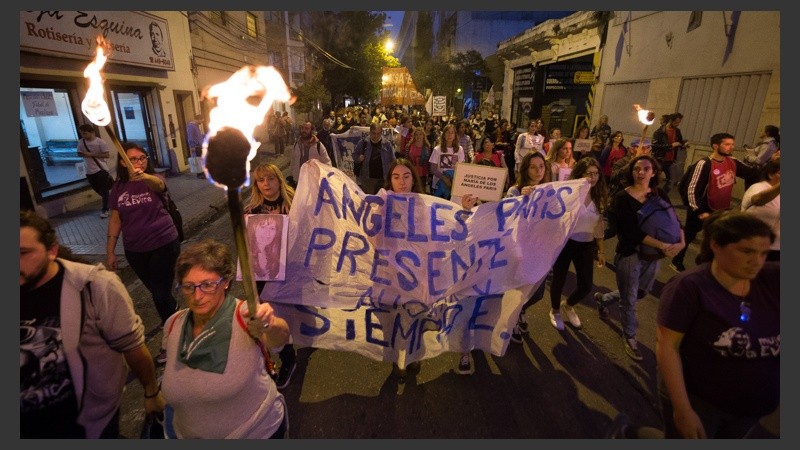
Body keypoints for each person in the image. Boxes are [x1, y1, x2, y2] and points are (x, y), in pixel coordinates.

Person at [20, 210, 165, 438]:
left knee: (161, 294)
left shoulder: (93, 286)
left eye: (23, 253)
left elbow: (132, 346)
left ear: (52, 251)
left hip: (92, 427)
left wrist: (150, 391)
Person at [656, 211, 779, 438]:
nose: (757, 262)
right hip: (701, 403)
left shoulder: (772, 280)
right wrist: (683, 409)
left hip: (752, 408)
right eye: (747, 251)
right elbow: (667, 345)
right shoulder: (689, 287)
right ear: (716, 245)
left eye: (764, 253)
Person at [161, 239, 291, 438]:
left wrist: (269, 323)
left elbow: (280, 337)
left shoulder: (244, 315)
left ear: (226, 282)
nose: (197, 296)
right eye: (188, 286)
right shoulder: (173, 325)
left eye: (207, 285)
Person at [594, 154, 685, 361]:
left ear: (654, 172)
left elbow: (673, 220)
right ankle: (630, 337)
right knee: (630, 300)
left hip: (653, 257)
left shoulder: (658, 194)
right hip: (630, 255)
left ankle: (603, 299)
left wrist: (681, 241)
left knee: (641, 292)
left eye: (645, 168)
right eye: (636, 169)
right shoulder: (622, 198)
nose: (641, 172)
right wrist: (663, 245)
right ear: (630, 172)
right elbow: (631, 232)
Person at [106, 142, 180, 363]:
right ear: (122, 161)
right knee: (160, 294)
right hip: (135, 250)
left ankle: (172, 341)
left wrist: (144, 176)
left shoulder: (154, 180)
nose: (138, 162)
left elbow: (159, 185)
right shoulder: (118, 188)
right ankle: (174, 314)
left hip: (163, 243)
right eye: (133, 159)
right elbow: (116, 219)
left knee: (159, 294)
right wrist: (110, 251)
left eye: (142, 158)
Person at [670, 132, 759, 273]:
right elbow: (692, 189)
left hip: (721, 209)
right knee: (689, 235)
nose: (731, 147)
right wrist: (699, 212)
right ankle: (677, 260)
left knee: (715, 238)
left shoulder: (732, 162)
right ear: (715, 146)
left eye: (732, 144)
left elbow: (753, 173)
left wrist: (772, 164)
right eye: (727, 144)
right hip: (702, 209)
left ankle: (705, 265)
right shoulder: (704, 163)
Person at [244, 162, 298, 389]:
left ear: (279, 180)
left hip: (293, 270)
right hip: (264, 273)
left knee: (295, 312)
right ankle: (288, 359)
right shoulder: (251, 211)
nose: (266, 184)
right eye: (261, 180)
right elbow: (248, 248)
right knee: (270, 318)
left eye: (270, 179)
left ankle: (302, 338)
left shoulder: (295, 205)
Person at [546, 157, 608, 331]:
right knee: (559, 279)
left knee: (586, 285)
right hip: (565, 243)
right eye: (589, 173)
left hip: (586, 245)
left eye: (596, 174)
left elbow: (599, 226)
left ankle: (568, 305)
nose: (593, 177)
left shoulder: (599, 196)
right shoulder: (570, 193)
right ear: (579, 174)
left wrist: (601, 251)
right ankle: (555, 310)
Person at [506, 151, 553, 343]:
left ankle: (521, 310)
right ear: (525, 169)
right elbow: (505, 216)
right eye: (533, 167)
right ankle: (513, 319)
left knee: (537, 292)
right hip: (518, 250)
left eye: (541, 166)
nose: (538, 171)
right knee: (519, 289)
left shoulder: (550, 190)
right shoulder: (515, 191)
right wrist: (520, 200)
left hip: (540, 250)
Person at [741, 158, 780, 261]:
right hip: (754, 244)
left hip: (776, 247)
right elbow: (758, 200)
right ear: (771, 174)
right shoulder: (758, 187)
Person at [77, 124, 112, 218]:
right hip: (89, 171)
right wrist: (83, 154)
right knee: (97, 190)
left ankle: (105, 209)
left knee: (104, 191)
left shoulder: (100, 142)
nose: (83, 135)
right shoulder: (81, 142)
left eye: (85, 133)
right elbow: (79, 153)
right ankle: (111, 200)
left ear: (92, 132)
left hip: (101, 169)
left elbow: (106, 155)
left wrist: (91, 154)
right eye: (82, 134)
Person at [353, 122, 396, 195]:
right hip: (368, 180)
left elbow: (393, 160)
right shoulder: (363, 143)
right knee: (369, 202)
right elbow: (354, 155)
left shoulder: (387, 144)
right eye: (373, 133)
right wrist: (359, 158)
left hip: (383, 179)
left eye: (378, 133)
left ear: (381, 133)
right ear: (370, 132)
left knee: (383, 202)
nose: (376, 136)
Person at [288, 120, 332, 188]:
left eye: (307, 128)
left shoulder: (318, 145)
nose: (303, 130)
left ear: (312, 130)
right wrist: (291, 176)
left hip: (313, 182)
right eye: (302, 128)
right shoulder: (296, 144)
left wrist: (327, 177)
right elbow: (293, 161)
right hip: (298, 181)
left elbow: (327, 162)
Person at [651, 112, 688, 192]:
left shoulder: (677, 131)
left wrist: (684, 144)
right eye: (676, 122)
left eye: (679, 122)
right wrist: (671, 146)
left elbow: (679, 142)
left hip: (670, 161)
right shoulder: (659, 132)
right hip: (659, 160)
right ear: (670, 120)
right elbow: (655, 146)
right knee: (653, 181)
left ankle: (661, 197)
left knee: (671, 182)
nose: (677, 124)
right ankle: (650, 197)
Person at [428, 123, 465, 199]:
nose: (450, 135)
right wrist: (444, 178)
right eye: (447, 132)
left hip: (453, 185)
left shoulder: (460, 149)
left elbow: (461, 168)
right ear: (443, 134)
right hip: (438, 185)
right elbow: (433, 169)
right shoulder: (437, 149)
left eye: (452, 132)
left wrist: (452, 181)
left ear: (455, 135)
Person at [404, 127, 431, 193]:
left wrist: (430, 175)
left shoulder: (427, 147)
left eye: (420, 134)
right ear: (414, 136)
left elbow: (429, 162)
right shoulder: (409, 146)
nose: (418, 136)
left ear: (423, 136)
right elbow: (406, 160)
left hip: (423, 173)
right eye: (416, 134)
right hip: (412, 172)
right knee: (412, 191)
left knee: (422, 192)